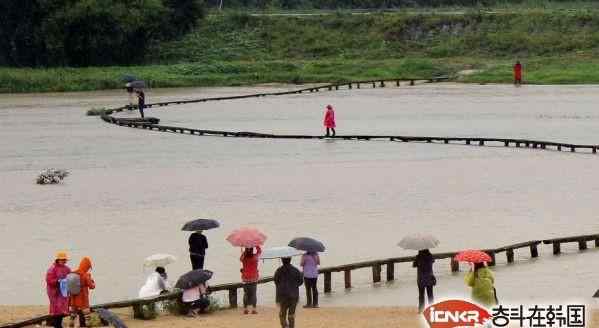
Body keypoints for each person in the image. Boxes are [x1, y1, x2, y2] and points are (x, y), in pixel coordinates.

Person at [274, 257, 303, 328]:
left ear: (282, 260)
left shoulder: (279, 270)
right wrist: (294, 286)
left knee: (282, 315)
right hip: (294, 295)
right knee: (291, 315)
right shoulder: (296, 270)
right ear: (290, 260)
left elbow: (276, 281)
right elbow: (301, 281)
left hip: (283, 295)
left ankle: (285, 326)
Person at [46, 251, 71, 328]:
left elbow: (71, 277)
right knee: (56, 309)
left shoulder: (67, 268)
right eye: (62, 259)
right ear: (58, 260)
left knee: (63, 308)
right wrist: (57, 281)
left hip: (63, 291)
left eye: (64, 260)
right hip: (54, 291)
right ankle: (57, 325)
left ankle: (59, 324)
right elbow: (49, 280)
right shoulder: (52, 269)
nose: (64, 261)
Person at [69, 257, 95, 327]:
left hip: (73, 297)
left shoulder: (73, 273)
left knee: (73, 314)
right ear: (86, 266)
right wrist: (92, 281)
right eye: (88, 267)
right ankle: (88, 325)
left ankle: (71, 324)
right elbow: (92, 286)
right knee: (87, 315)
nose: (88, 269)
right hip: (83, 297)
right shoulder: (85, 275)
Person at [240, 246, 261, 314]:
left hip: (245, 278)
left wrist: (244, 251)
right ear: (252, 250)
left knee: (245, 293)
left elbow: (240, 258)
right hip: (253, 278)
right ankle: (254, 309)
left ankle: (245, 309)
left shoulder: (244, 258)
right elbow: (259, 251)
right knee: (253, 294)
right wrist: (256, 245)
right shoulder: (255, 257)